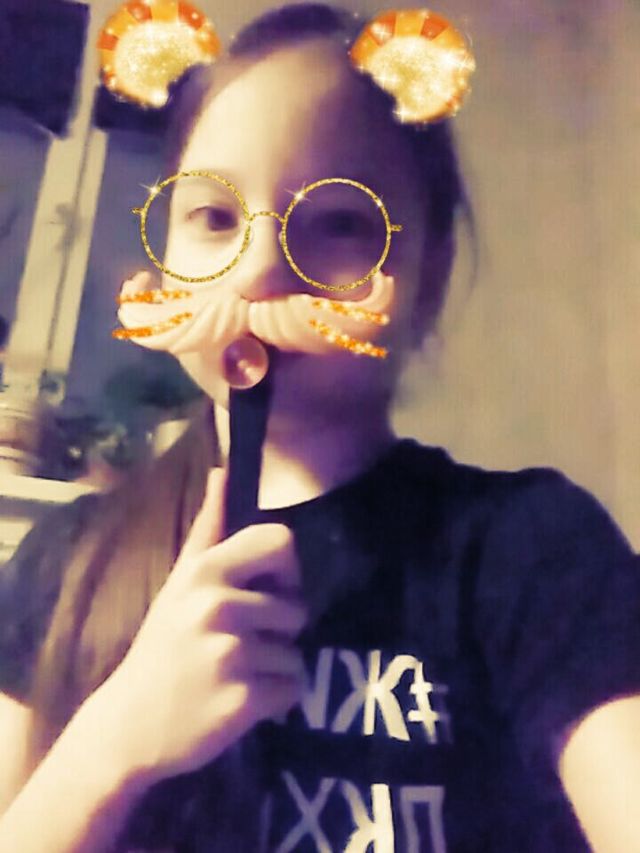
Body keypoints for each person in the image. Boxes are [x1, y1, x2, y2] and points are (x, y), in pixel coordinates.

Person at [1, 4, 639, 851]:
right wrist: (110, 745)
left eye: (339, 222)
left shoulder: (533, 553)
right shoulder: (64, 567)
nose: (262, 266)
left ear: (427, 277)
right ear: (165, 265)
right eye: (215, 218)